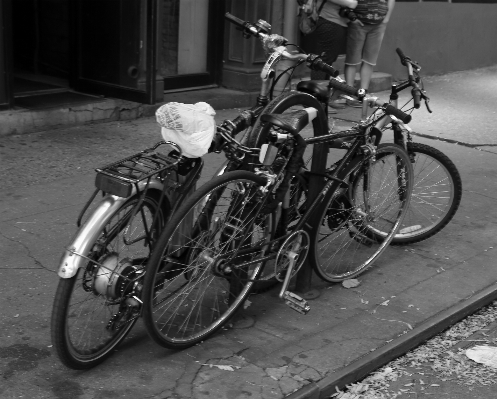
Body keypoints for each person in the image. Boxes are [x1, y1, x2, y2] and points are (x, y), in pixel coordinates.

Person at [301, 0, 358, 112]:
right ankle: (315, 102)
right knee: (322, 62)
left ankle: (322, 102)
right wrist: (350, 3)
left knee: (326, 63)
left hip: (336, 22)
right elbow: (351, 3)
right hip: (329, 22)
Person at [343, 0, 395, 107]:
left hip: (378, 24)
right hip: (358, 21)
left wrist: (386, 19)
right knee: (352, 60)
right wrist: (352, 18)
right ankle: (349, 94)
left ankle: (363, 93)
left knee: (370, 60)